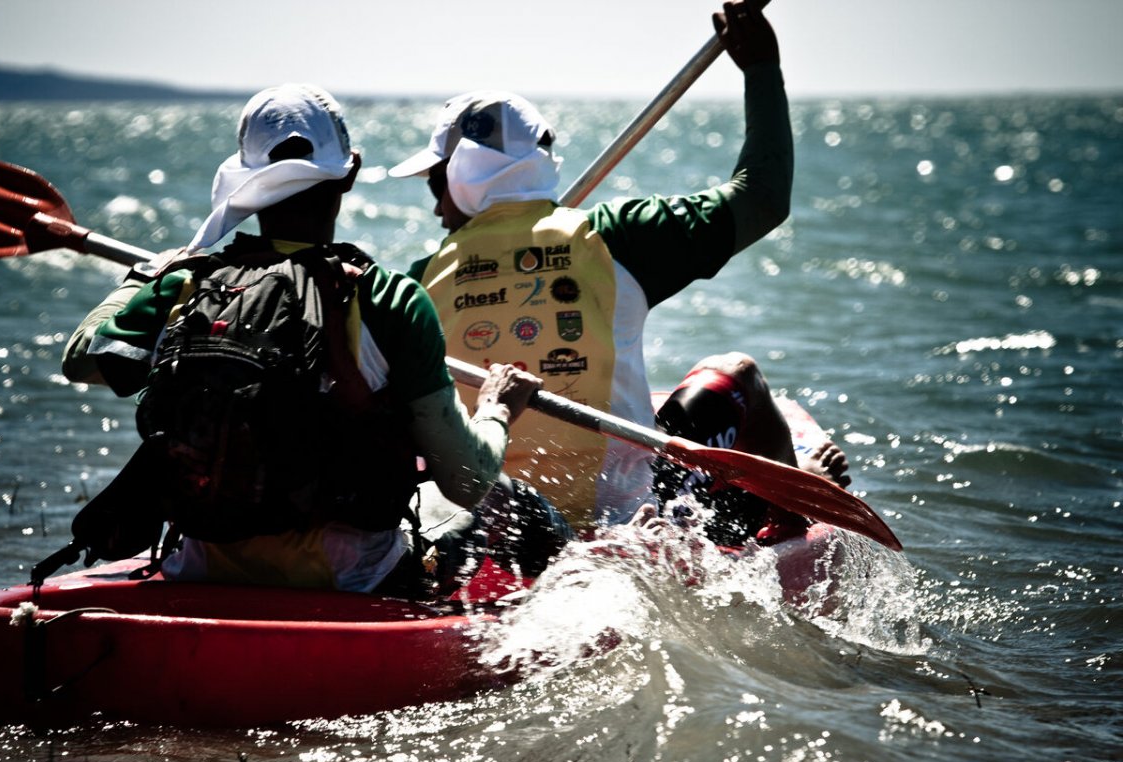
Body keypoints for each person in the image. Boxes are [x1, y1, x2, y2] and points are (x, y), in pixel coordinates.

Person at [61, 83, 566, 596]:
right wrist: (497, 409)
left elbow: (81, 359)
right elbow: (465, 480)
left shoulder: (186, 284)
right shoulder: (387, 297)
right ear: (350, 171)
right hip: (352, 579)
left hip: (198, 566)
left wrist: (145, 276)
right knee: (504, 496)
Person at [389, 1, 848, 543]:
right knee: (737, 372)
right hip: (634, 522)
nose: (439, 210)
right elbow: (764, 198)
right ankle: (794, 516)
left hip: (501, 530)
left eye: (436, 187)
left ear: (463, 178)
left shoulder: (416, 284)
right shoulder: (617, 239)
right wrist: (762, 70)